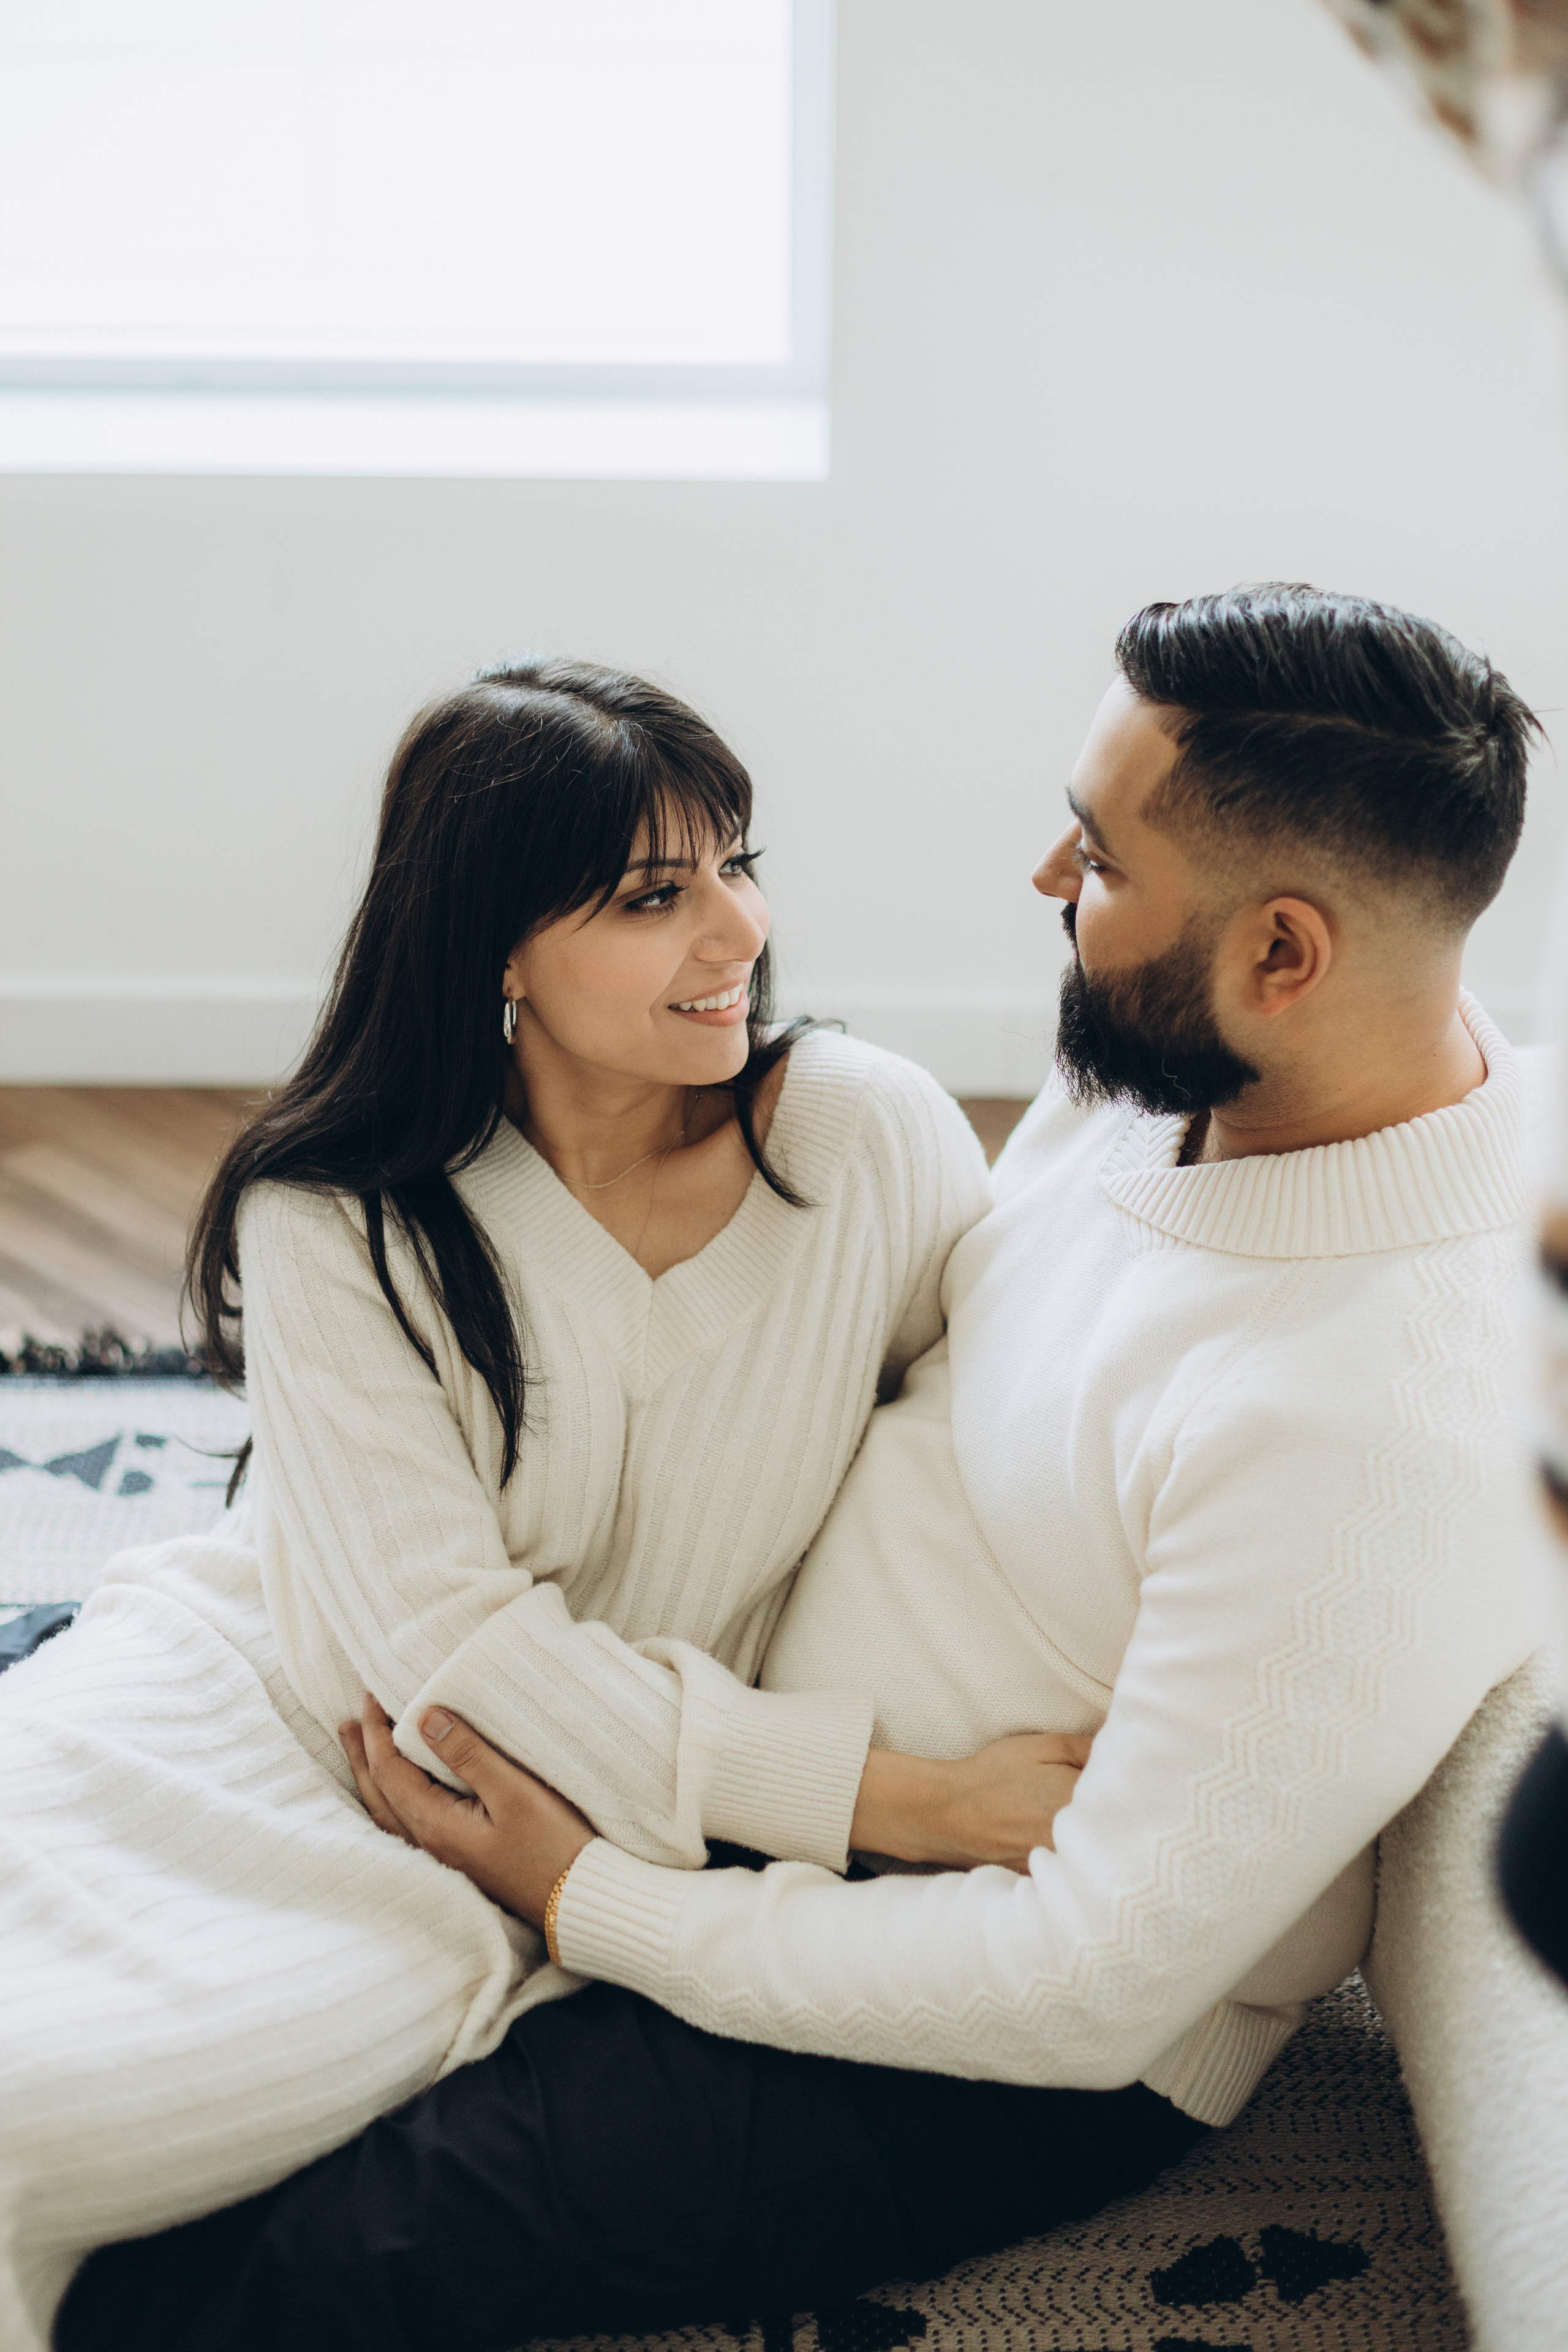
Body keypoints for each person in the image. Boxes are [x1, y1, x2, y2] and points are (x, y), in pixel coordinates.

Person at [58, 584, 1550, 2352]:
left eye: (1100, 855)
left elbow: (1084, 1983)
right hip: (722, 1769)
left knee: (219, 2290)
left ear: (1284, 955)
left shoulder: (1377, 1416)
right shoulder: (1173, 1070)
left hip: (953, 1986)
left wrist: (593, 1900)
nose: (1047, 880)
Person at [0, 657, 1101, 2352]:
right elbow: (446, 1657)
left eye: (737, 864)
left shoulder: (865, 1146)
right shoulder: (339, 1216)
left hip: (457, 1853)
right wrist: (908, 1803)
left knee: (64, 2129)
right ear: (496, 943)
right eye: (656, 896)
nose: (736, 933)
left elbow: (989, 1425)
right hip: (310, 1722)